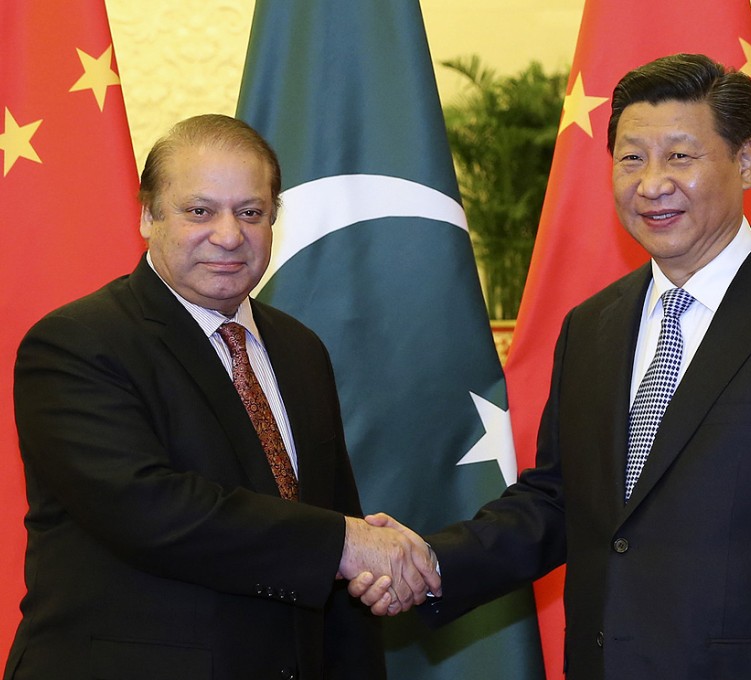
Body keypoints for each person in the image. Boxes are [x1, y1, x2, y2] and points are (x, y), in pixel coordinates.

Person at [352, 54, 751, 679]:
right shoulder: (593, 326)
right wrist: (436, 563)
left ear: (746, 162)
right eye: (631, 158)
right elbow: (558, 501)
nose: (652, 183)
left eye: (680, 156)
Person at [4, 114, 439, 680]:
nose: (229, 235)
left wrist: (353, 552)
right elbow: (149, 510)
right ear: (147, 216)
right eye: (199, 210)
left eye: (251, 212)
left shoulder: (299, 349)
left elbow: (331, 526)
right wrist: (345, 544)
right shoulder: (77, 343)